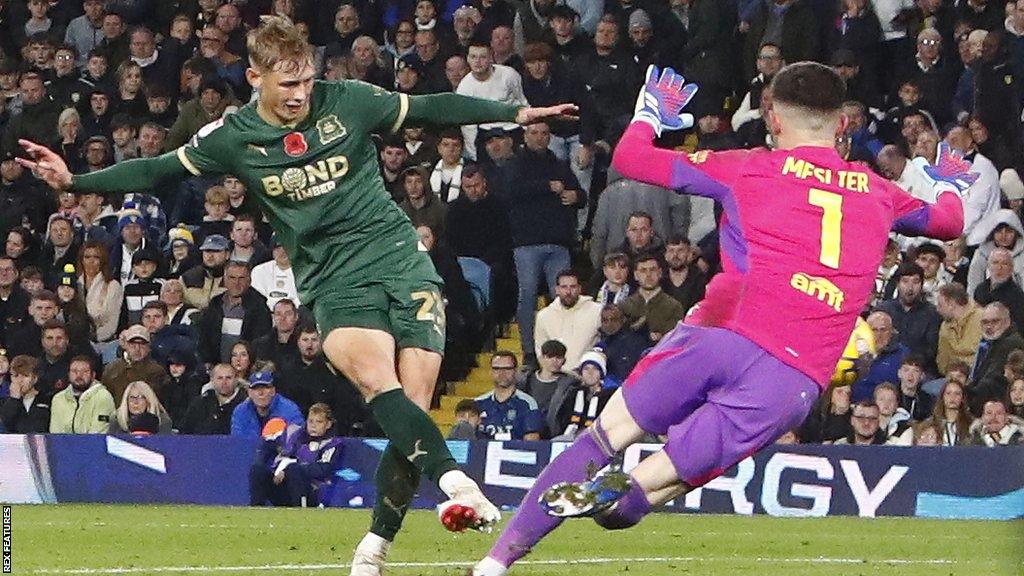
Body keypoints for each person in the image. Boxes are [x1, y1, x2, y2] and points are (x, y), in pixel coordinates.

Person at [18, 12, 568, 572]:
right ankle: (458, 483)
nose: (302, 93)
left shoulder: (348, 99)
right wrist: (78, 182)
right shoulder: (233, 139)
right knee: (382, 385)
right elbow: (157, 169)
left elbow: (430, 107)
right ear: (255, 77)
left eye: (307, 79)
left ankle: (373, 548)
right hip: (333, 279)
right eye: (288, 83)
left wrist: (513, 113)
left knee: (417, 403)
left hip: (400, 260)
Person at [470, 62, 968, 576]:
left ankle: (495, 562)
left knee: (606, 435)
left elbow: (631, 157)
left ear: (772, 118)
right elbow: (949, 221)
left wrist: (650, 114)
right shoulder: (879, 192)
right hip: (792, 372)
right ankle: (616, 495)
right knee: (660, 483)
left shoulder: (747, 166)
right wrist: (948, 181)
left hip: (721, 327)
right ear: (843, 125)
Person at [250, 403, 347, 507]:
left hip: (312, 489)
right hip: (283, 484)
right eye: (310, 421)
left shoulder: (332, 443)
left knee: (294, 470)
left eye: (319, 422)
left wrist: (291, 468)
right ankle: (256, 508)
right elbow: (282, 453)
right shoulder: (295, 435)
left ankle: (300, 509)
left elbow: (323, 469)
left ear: (328, 424)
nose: (313, 425)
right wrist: (278, 469)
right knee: (257, 470)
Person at [533, 269, 602, 369]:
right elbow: (540, 351)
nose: (568, 292)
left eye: (573, 287)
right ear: (557, 289)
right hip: (556, 377)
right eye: (564, 287)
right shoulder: (543, 316)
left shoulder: (596, 311)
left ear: (579, 289)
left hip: (586, 376)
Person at [474, 350, 544, 441]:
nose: (502, 373)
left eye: (507, 368)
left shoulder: (527, 403)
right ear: (491, 371)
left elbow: (531, 443)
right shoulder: (478, 403)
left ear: (515, 371)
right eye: (496, 369)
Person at [618, 255, 685, 343]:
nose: (648, 275)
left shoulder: (674, 307)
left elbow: (676, 340)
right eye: (643, 270)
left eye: (652, 270)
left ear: (660, 273)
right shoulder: (624, 306)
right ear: (636, 275)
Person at [49, 355, 115, 433]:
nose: (79, 375)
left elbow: (98, 434)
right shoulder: (59, 399)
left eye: (85, 371)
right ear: (69, 374)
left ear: (93, 375)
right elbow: (55, 433)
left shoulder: (103, 397)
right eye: (74, 371)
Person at [231, 369, 304, 438]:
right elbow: (237, 442)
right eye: (256, 388)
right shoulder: (240, 411)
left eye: (265, 387)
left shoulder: (290, 410)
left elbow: (297, 440)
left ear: (273, 391)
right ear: (249, 393)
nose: (260, 393)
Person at [178, 363, 245, 435]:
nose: (224, 382)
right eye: (220, 378)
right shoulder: (200, 402)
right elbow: (184, 432)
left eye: (228, 378)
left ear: (236, 379)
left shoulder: (245, 404)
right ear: (212, 380)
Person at [0, 355, 51, 433]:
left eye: (25, 376)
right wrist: (14, 400)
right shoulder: (4, 402)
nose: (20, 380)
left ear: (35, 378)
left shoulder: (47, 400)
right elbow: (4, 425)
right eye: (16, 376)